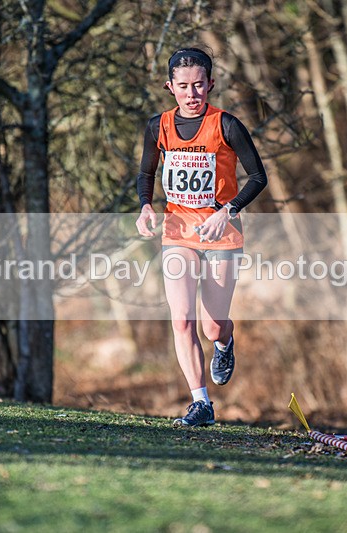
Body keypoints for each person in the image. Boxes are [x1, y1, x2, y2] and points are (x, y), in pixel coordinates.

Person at [135, 47, 268, 427]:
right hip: (178, 232)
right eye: (183, 86)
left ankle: (225, 341)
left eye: (198, 85)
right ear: (170, 87)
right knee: (181, 320)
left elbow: (258, 177)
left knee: (212, 325)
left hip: (222, 234)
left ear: (210, 84)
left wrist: (228, 211)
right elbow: (146, 173)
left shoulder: (227, 125)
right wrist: (145, 206)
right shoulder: (157, 127)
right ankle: (201, 403)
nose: (191, 93)